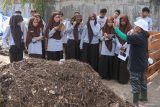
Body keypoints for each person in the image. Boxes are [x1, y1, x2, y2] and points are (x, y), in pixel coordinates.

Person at [113, 19, 149, 107]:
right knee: (143, 81)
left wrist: (116, 29)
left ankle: (135, 102)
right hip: (143, 63)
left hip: (136, 64)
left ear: (140, 28)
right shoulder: (144, 35)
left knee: (134, 83)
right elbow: (131, 35)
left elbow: (125, 37)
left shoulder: (138, 37)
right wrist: (132, 32)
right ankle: (144, 97)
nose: (134, 26)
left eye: (136, 25)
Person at [114, 15, 132, 84]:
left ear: (126, 21)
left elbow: (129, 39)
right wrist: (119, 45)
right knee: (118, 63)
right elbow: (116, 37)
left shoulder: (130, 29)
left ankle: (123, 79)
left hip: (126, 49)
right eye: (121, 21)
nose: (122, 23)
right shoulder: (118, 28)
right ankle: (118, 78)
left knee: (124, 65)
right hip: (119, 48)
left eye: (124, 21)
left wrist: (124, 46)